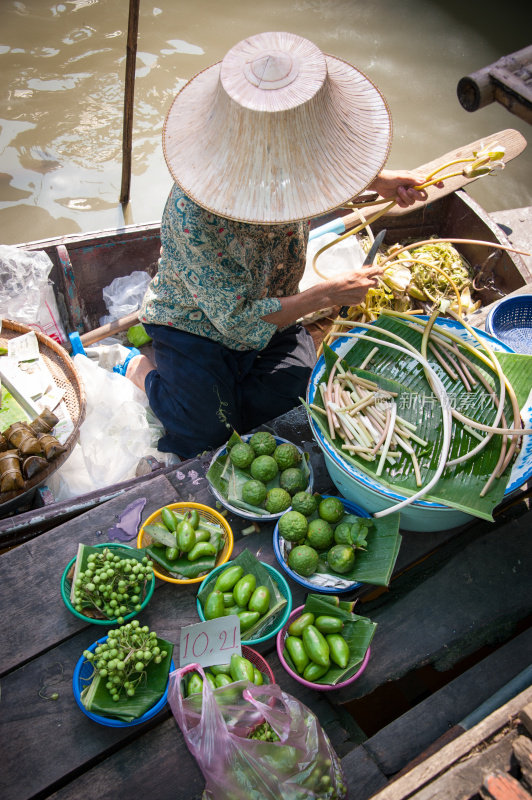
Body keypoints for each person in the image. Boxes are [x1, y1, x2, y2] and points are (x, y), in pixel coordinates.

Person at [121, 32, 436, 460]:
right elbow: (233, 321)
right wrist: (326, 295)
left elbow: (321, 171)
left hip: (273, 308)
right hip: (196, 321)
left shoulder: (298, 167)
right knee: (207, 435)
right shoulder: (194, 217)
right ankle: (144, 371)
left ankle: (226, 385)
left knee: (295, 401)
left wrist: (378, 182)